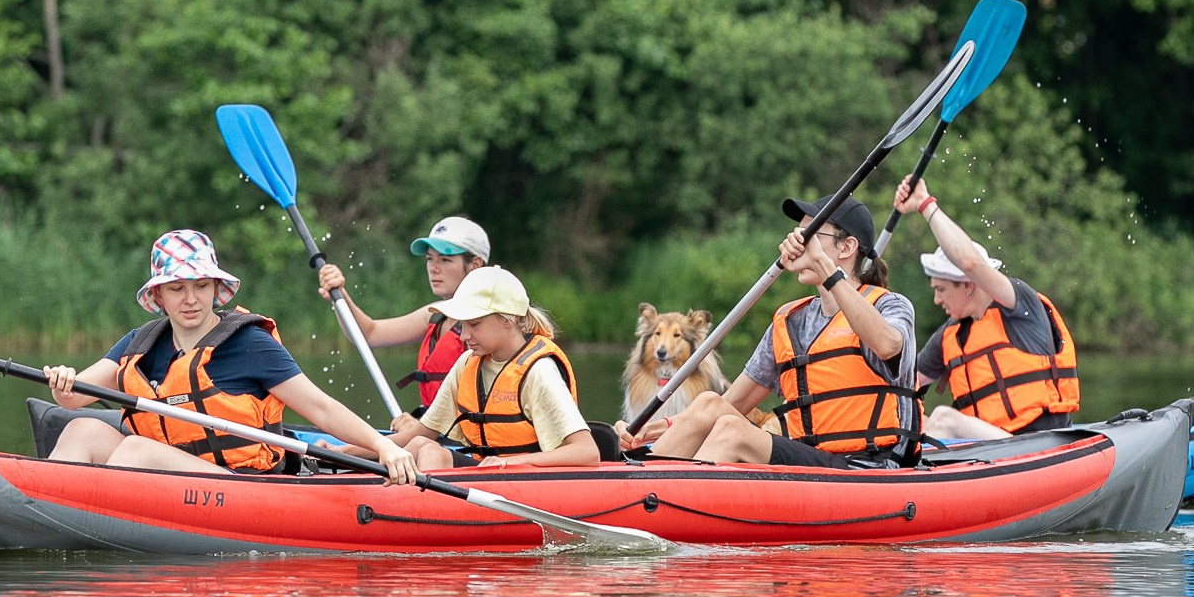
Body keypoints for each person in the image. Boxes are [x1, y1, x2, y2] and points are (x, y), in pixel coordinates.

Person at [43, 229, 417, 482]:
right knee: (82, 430)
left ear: (215, 288)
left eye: (201, 286)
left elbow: (321, 408)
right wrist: (63, 382)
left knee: (137, 450)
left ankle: (90, 523)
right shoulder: (139, 344)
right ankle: (52, 507)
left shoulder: (249, 343)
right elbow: (72, 398)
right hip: (167, 475)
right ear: (158, 296)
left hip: (238, 485)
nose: (191, 299)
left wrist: (382, 445)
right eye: (177, 289)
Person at [639, 198, 919, 468]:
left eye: (809, 234)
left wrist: (824, 267)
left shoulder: (890, 306)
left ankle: (667, 493)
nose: (797, 241)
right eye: (798, 232)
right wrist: (661, 428)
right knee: (709, 402)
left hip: (868, 465)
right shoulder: (791, 320)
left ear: (846, 247)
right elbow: (729, 404)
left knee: (732, 431)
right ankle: (643, 476)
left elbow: (887, 345)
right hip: (808, 458)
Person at [893, 174, 1080, 440]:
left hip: (1039, 441)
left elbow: (970, 263)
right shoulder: (950, 336)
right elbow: (903, 385)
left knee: (944, 417)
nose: (936, 299)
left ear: (969, 285)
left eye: (941, 289)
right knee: (922, 423)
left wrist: (925, 204)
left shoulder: (1017, 304)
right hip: (990, 450)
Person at [388, 267, 600, 470]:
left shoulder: (539, 371)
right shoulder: (467, 363)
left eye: (475, 324)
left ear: (508, 320)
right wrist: (372, 447)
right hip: (487, 473)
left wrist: (511, 463)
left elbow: (587, 452)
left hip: (529, 480)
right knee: (423, 447)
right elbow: (423, 432)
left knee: (427, 451)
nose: (464, 336)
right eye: (462, 325)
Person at [313, 215, 492, 407]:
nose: (433, 268)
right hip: (432, 423)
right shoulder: (434, 315)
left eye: (445, 260)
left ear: (475, 265)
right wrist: (340, 296)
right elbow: (368, 334)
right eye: (429, 259)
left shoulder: (492, 322)